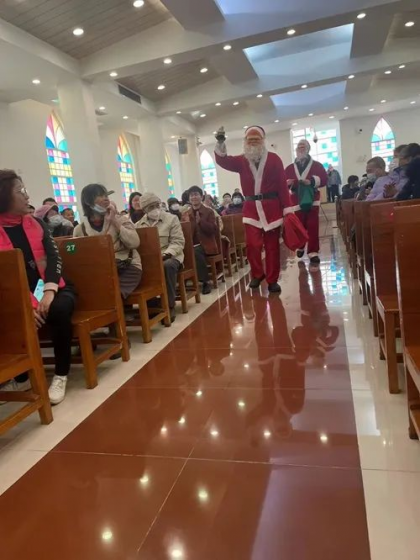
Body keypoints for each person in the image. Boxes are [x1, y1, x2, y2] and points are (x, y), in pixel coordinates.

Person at [0, 169, 76, 405]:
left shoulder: (37, 223)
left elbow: (54, 259)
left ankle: (61, 374)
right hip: (16, 296)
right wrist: (26, 306)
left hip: (54, 288)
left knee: (59, 309)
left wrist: (49, 292)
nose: (26, 195)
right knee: (11, 316)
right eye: (20, 191)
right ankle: (21, 375)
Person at [215, 125, 293, 293]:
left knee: (272, 247)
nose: (253, 142)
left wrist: (287, 209)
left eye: (256, 139)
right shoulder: (242, 160)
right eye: (250, 140)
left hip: (272, 209)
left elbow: (282, 185)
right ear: (245, 142)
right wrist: (221, 141)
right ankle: (257, 274)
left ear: (262, 141)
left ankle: (272, 280)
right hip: (251, 210)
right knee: (252, 245)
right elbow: (223, 160)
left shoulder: (274, 159)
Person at [74, 184, 141, 299]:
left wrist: (114, 221)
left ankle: (119, 315)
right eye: (100, 196)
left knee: (110, 293)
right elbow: (76, 255)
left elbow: (134, 243)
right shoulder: (80, 229)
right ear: (88, 202)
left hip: (127, 267)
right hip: (100, 271)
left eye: (106, 195)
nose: (106, 198)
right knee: (90, 293)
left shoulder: (121, 220)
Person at [136, 193, 185, 322]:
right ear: (144, 210)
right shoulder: (138, 225)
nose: (155, 209)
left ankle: (169, 305)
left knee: (166, 266)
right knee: (137, 268)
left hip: (171, 256)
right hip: (151, 260)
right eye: (151, 207)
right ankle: (151, 306)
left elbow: (178, 241)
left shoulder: (172, 219)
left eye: (157, 205)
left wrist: (166, 254)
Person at [285, 139, 328, 264]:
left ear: (308, 149)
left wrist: (312, 181)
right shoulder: (289, 168)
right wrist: (289, 183)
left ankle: (313, 252)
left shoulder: (317, 165)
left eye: (303, 146)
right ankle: (301, 245)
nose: (301, 148)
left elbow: (324, 179)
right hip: (296, 200)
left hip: (312, 199)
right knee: (299, 226)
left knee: (313, 225)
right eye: (299, 146)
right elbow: (283, 182)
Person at [183, 185, 218, 295]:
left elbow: (213, 230)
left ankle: (205, 281)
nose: (194, 197)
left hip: (206, 244)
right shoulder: (185, 214)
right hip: (191, 244)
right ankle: (184, 280)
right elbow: (184, 232)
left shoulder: (209, 212)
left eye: (196, 194)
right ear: (189, 198)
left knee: (196, 252)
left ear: (201, 196)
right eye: (191, 195)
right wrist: (188, 224)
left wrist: (201, 222)